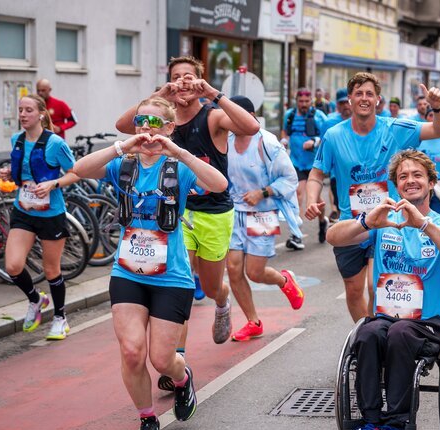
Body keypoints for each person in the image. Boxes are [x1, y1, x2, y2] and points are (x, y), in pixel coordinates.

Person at [73, 96, 228, 430]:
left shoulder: (179, 167)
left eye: (156, 123)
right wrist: (121, 146)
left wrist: (178, 151)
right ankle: (147, 419)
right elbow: (80, 170)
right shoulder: (123, 164)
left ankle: (182, 377)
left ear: (169, 128)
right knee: (131, 351)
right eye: (142, 121)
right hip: (128, 273)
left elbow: (219, 185)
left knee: (162, 360)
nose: (147, 129)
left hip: (170, 277)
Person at [329, 150, 440, 430]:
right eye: (403, 176)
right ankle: (371, 426)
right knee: (367, 333)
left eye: (417, 175)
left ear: (431, 182)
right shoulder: (384, 223)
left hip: (428, 324)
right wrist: (366, 222)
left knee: (400, 335)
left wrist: (425, 226)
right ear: (396, 185)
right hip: (386, 317)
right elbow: (334, 237)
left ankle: (397, 427)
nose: (410, 181)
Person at [115, 56, 260, 355]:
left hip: (213, 211)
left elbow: (251, 127)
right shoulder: (157, 122)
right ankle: (176, 355)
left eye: (189, 76)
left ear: (199, 80)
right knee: (181, 280)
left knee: (209, 286)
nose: (182, 81)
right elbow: (121, 126)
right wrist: (158, 96)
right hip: (176, 212)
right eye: (176, 76)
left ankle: (222, 300)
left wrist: (214, 94)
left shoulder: (212, 116)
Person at [305, 72, 440, 323]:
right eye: (358, 93)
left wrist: (436, 107)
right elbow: (317, 174)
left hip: (388, 221)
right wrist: (311, 199)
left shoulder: (395, 127)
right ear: (349, 99)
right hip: (352, 223)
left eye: (369, 94)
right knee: (353, 289)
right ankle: (366, 333)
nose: (364, 98)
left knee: (376, 286)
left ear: (377, 100)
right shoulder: (334, 136)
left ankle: (379, 335)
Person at [224, 97, 305, 341]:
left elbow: (289, 179)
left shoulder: (267, 143)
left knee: (255, 272)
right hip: (232, 212)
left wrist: (263, 192)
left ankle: (284, 280)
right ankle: (253, 321)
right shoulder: (224, 141)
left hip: (263, 213)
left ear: (250, 116)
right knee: (233, 268)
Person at [0, 94, 78, 340]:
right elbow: (22, 171)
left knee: (51, 269)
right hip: (23, 210)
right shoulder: (17, 139)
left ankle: (60, 318)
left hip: (50, 214)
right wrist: (9, 172)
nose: (22, 114)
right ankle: (36, 299)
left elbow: (76, 173)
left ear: (41, 114)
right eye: (20, 110)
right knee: (12, 265)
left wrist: (53, 183)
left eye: (28, 110)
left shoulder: (55, 143)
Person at [281, 87, 329, 249]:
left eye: (306, 101)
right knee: (298, 194)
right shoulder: (290, 115)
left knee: (316, 199)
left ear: (311, 101)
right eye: (301, 101)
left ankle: (323, 221)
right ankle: (296, 234)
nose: (303, 104)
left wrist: (314, 141)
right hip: (296, 162)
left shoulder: (319, 116)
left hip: (314, 164)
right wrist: (283, 142)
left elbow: (327, 137)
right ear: (297, 101)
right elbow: (285, 132)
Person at [321, 88, 354, 223]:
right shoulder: (329, 123)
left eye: (347, 102)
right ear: (337, 105)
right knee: (344, 209)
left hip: (361, 173)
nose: (345, 106)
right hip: (338, 174)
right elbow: (323, 148)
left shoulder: (362, 121)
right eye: (342, 103)